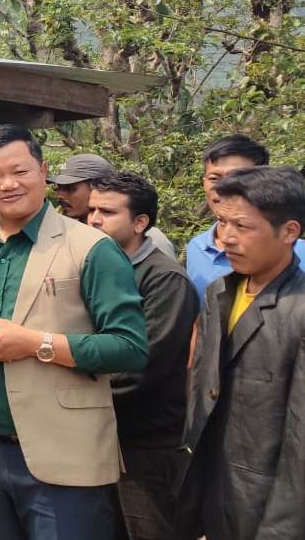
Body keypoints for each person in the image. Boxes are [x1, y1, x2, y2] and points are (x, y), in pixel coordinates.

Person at [0, 124, 148, 540]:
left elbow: (129, 347)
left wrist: (34, 343)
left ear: (43, 171)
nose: (8, 184)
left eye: (20, 172)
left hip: (64, 449)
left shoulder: (91, 247)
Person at [179, 166, 305, 540]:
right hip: (210, 491)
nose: (226, 238)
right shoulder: (219, 291)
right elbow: (200, 392)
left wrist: (280, 530)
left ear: (289, 232)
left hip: (263, 505)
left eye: (242, 226)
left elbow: (300, 444)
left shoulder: (298, 310)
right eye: (221, 222)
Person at [87, 173, 198, 540]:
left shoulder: (164, 279)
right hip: (100, 431)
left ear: (140, 222)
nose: (94, 220)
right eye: (92, 210)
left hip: (148, 441)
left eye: (107, 212)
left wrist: (80, 394)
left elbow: (143, 363)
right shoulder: (91, 268)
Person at [183, 134, 305, 300]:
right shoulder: (196, 248)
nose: (223, 188)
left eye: (237, 178)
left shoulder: (299, 253)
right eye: (214, 178)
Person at [49, 153, 176, 259]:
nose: (60, 196)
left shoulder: (149, 240)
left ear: (98, 187)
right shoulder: (72, 235)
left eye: (70, 188)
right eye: (57, 188)